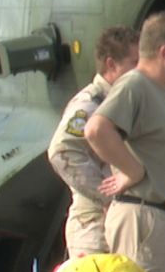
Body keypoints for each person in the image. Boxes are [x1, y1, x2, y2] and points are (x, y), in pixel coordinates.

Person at [84, 11, 165, 272]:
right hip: (145, 221)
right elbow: (96, 129)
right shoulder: (135, 85)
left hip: (163, 220)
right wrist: (132, 170)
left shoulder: (157, 91)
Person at [47, 25, 140, 258]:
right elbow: (62, 151)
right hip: (95, 231)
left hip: (119, 227)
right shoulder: (91, 105)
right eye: (134, 63)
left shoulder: (124, 103)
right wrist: (109, 195)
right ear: (111, 65)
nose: (141, 71)